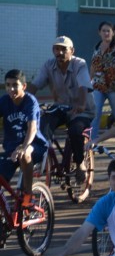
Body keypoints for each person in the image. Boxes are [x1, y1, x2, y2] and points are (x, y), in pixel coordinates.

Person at [28, 36, 95, 185]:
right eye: (56, 49)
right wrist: (26, 101)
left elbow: (84, 85)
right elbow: (35, 85)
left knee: (75, 131)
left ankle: (79, 164)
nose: (59, 52)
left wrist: (82, 104)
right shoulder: (49, 65)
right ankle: (42, 159)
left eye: (63, 49)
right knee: (42, 126)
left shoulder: (79, 64)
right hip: (60, 107)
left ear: (72, 51)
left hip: (82, 110)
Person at [0, 69, 47, 205]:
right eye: (8, 85)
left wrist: (23, 146)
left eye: (15, 85)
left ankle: (28, 195)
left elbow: (32, 128)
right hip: (11, 149)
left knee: (24, 154)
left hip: (34, 146)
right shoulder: (4, 101)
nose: (11, 89)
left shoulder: (30, 102)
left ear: (24, 86)